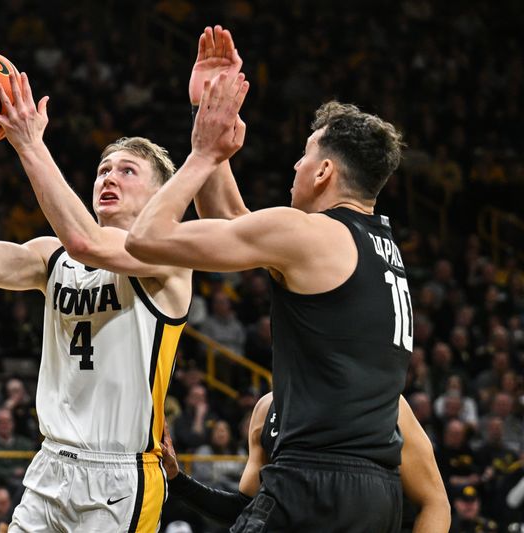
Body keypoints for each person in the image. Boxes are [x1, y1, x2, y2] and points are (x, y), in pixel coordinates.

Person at [0, 25, 243, 533]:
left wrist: (28, 142)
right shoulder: (51, 256)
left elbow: (88, 244)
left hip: (120, 477)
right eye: (102, 170)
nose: (108, 178)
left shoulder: (166, 254)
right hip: (51, 464)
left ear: (160, 194)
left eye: (127, 171)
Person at [126, 51, 411, 531]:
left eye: (304, 155)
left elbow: (145, 239)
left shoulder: (308, 233)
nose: (295, 166)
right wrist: (206, 107)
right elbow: (235, 228)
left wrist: (201, 154)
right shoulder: (378, 248)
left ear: (324, 173)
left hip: (311, 483)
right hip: (376, 494)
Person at [161, 393, 451, 532]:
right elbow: (244, 508)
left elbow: (435, 503)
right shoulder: (267, 408)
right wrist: (178, 480)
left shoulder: (383, 402)